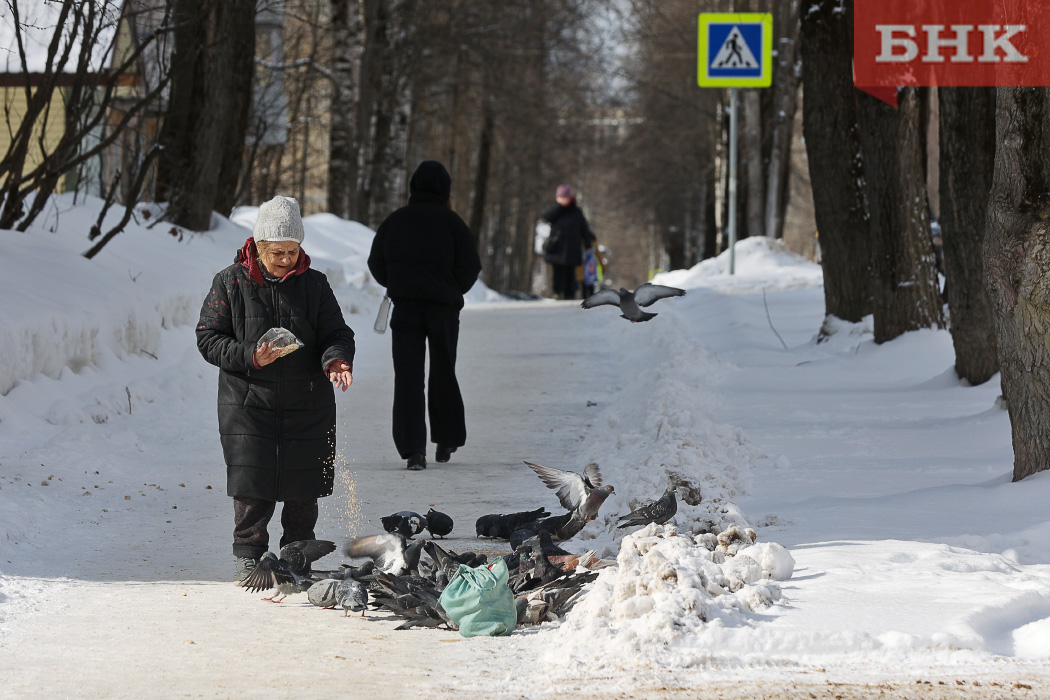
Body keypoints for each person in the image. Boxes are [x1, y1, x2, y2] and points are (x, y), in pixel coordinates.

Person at [196, 195, 356, 581]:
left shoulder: (315, 284)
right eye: (278, 252)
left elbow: (336, 331)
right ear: (259, 247)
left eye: (293, 251)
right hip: (247, 401)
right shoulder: (229, 282)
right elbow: (208, 337)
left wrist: (335, 358)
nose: (286, 259)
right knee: (253, 481)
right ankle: (250, 554)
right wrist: (251, 355)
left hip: (308, 400)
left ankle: (298, 553)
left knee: (304, 484)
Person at [367, 161, 482, 471]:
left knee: (408, 377)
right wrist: (452, 288)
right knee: (443, 370)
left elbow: (376, 262)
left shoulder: (396, 221)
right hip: (443, 310)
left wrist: (397, 283)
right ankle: (446, 440)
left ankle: (413, 450)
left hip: (405, 308)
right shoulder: (453, 223)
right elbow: (471, 266)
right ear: (445, 189)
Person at [541, 184, 595, 300]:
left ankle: (569, 294)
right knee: (558, 272)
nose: (562, 199)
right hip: (557, 248)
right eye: (560, 197)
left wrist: (588, 246)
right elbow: (546, 218)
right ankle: (557, 292)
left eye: (564, 196)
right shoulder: (555, 210)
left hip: (572, 248)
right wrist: (559, 206)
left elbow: (584, 230)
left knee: (570, 274)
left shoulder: (576, 211)